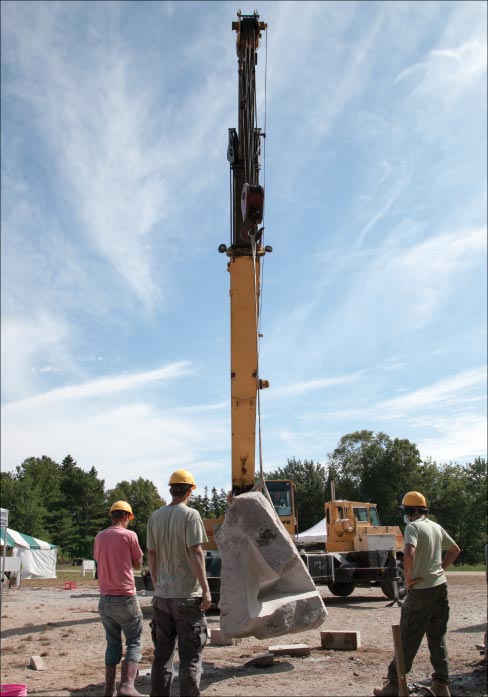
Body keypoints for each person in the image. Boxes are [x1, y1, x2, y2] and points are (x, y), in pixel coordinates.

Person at [374, 491, 460, 697]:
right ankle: (441, 684)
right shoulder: (435, 527)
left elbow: (409, 552)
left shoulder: (413, 527)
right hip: (440, 587)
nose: (405, 514)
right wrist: (440, 568)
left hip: (421, 591)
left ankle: (395, 684)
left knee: (407, 638)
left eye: (405, 510)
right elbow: (455, 549)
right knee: (437, 637)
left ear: (412, 511)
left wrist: (409, 578)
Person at [147, 468, 212, 697]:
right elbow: (195, 552)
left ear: (171, 489)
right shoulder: (191, 515)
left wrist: (157, 586)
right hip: (186, 596)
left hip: (162, 598)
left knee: (162, 656)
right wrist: (206, 590)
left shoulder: (155, 517)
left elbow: (152, 555)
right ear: (190, 491)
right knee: (190, 658)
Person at [94, 500, 146, 697]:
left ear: (111, 516)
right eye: (129, 519)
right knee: (133, 641)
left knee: (112, 642)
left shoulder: (99, 537)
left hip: (104, 599)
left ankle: (109, 689)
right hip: (125, 597)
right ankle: (127, 686)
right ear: (126, 516)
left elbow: (100, 559)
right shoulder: (129, 535)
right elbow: (138, 565)